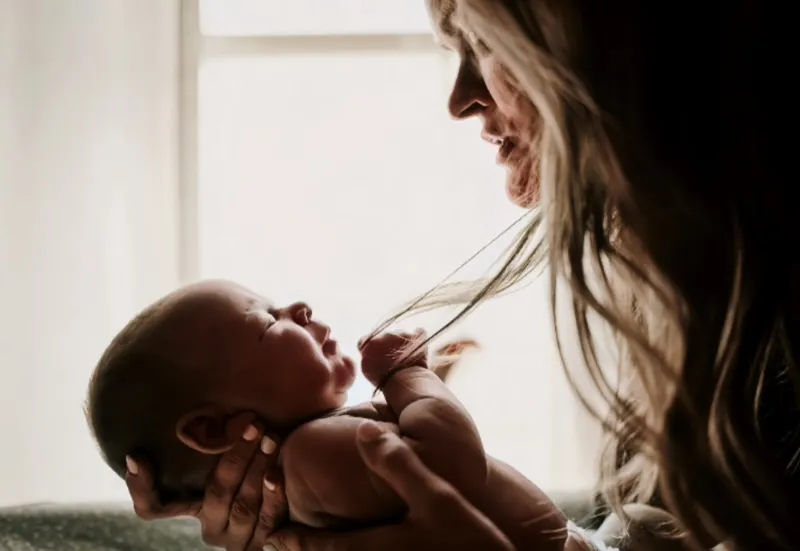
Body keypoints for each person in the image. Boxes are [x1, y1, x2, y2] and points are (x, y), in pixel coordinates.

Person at [124, 0, 795, 550]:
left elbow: (455, 468)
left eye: (482, 41)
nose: (460, 99)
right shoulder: (707, 314)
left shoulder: (764, 341)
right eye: (265, 321)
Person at [87, 280, 556, 549]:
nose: (298, 308)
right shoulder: (310, 456)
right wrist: (408, 375)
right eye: (269, 321)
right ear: (212, 428)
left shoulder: (315, 460)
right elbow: (451, 470)